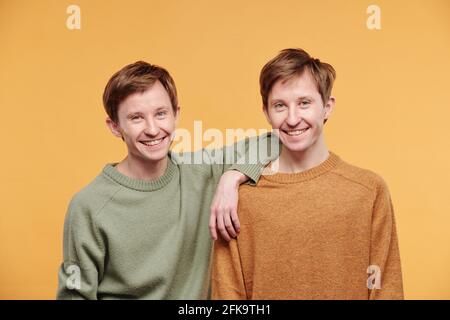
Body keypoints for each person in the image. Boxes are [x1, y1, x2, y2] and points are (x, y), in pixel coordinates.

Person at [56, 61, 278, 299]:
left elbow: (275, 140)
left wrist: (231, 178)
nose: (153, 129)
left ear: (176, 115)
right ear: (115, 126)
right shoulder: (89, 206)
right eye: (136, 118)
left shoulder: (202, 171)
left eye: (161, 114)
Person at [212, 48, 404, 300]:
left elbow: (386, 288)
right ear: (266, 112)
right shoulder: (240, 200)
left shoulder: (368, 191)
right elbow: (228, 296)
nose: (293, 119)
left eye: (304, 103)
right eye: (280, 105)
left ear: (327, 107)